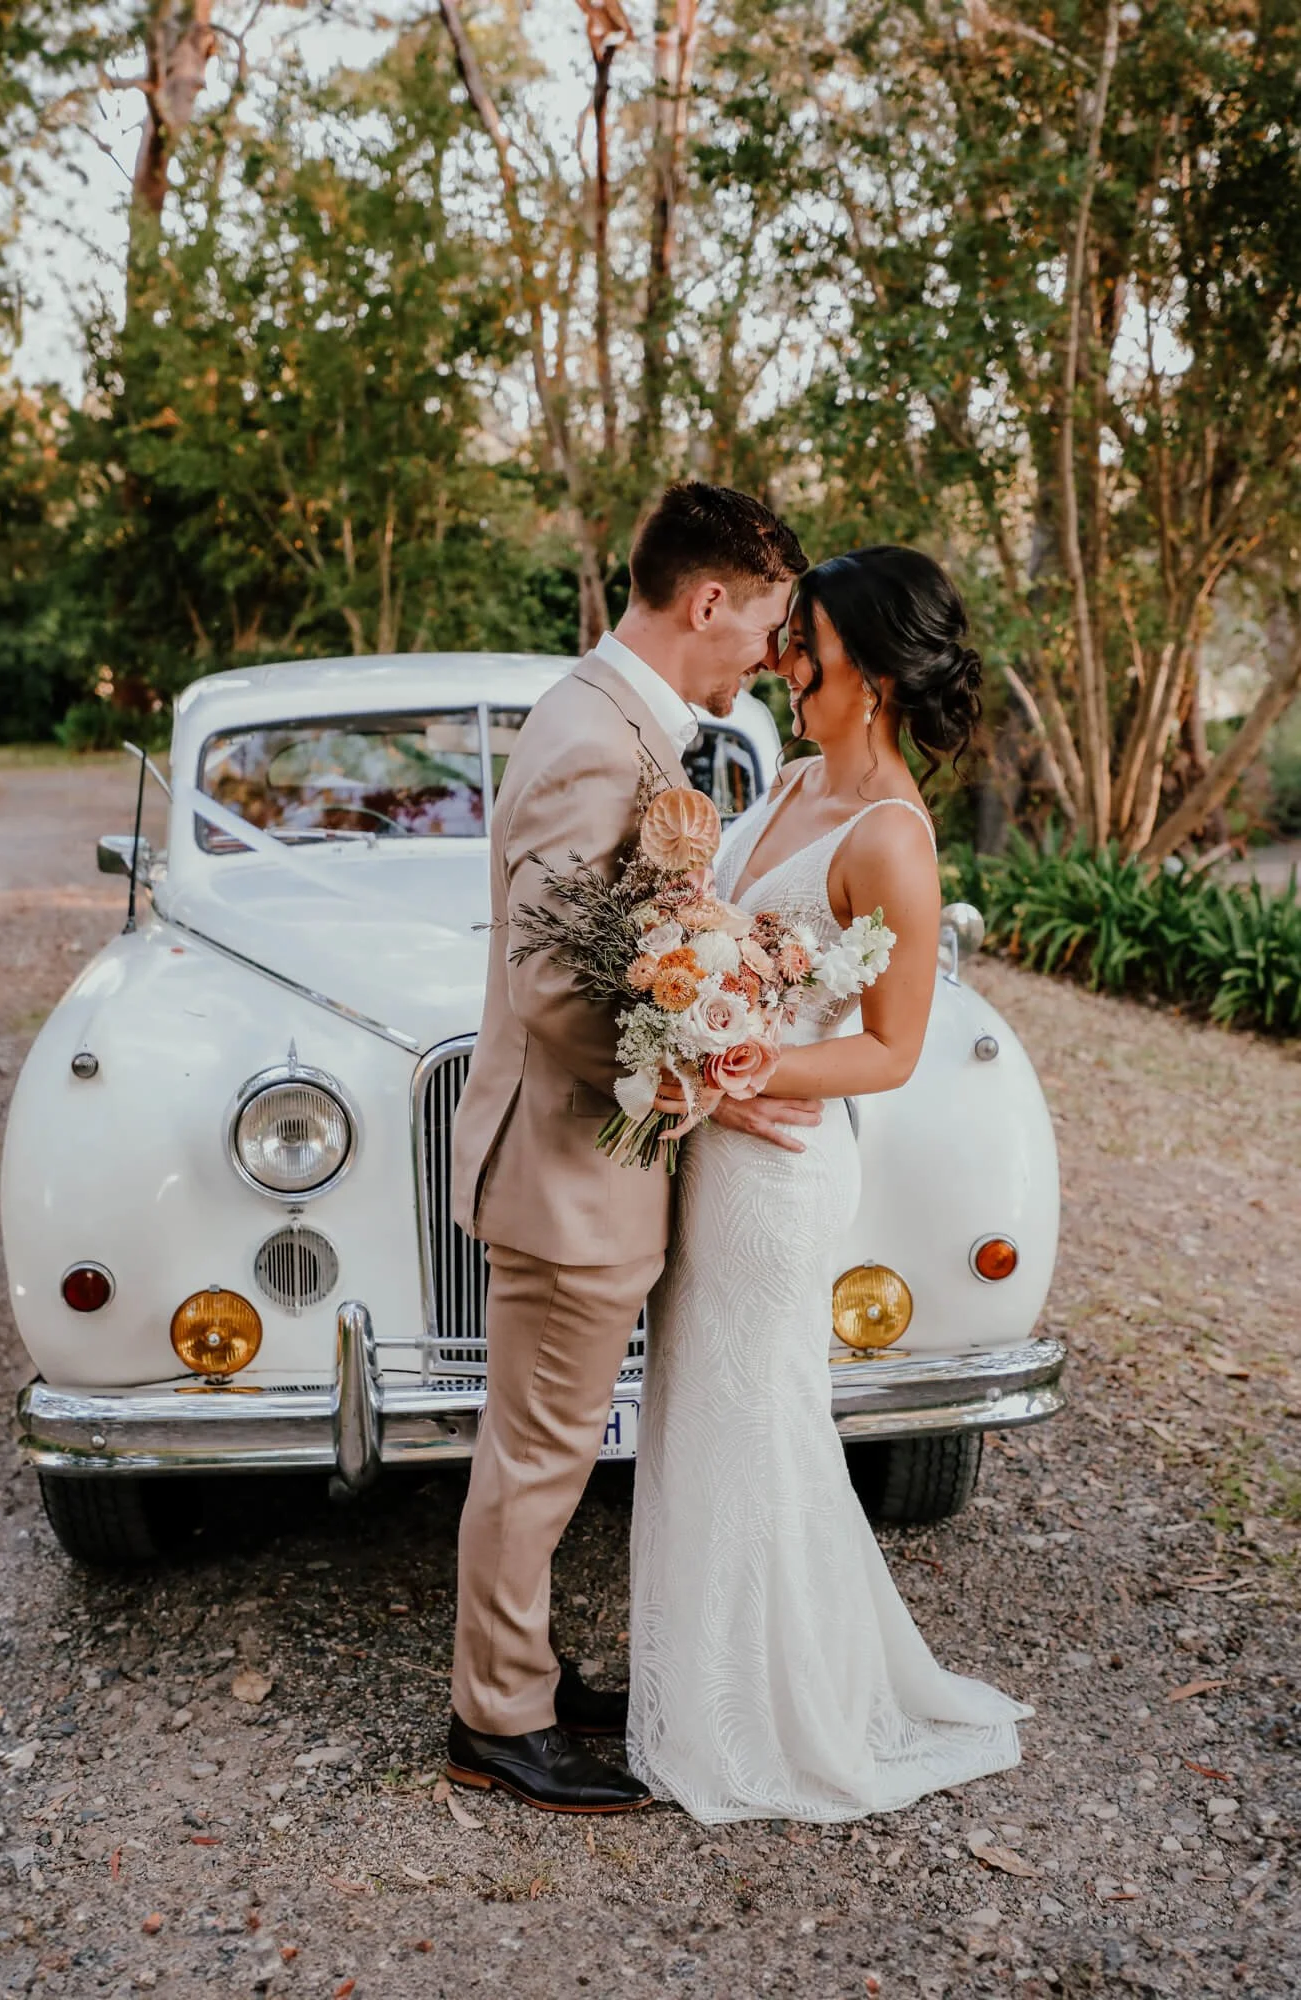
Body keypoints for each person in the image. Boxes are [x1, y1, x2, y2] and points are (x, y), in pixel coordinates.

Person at [627, 545, 1033, 1822]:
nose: (785, 665)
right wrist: (683, 975)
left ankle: (777, 1714)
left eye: (805, 645)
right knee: (701, 1411)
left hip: (783, 1171)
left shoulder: (893, 841)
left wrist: (761, 1054)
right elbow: (722, 927)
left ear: (873, 670)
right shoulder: (793, 776)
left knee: (755, 1419)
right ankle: (708, 1684)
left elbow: (894, 1046)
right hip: (719, 1146)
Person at [446, 481, 811, 1813]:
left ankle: (524, 1673)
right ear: (707, 602)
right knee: (538, 1454)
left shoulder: (624, 727)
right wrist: (704, 1073)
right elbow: (553, 980)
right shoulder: (595, 735)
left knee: (548, 1447)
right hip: (564, 1170)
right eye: (765, 625)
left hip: (595, 1169)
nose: (770, 655)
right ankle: (495, 1720)